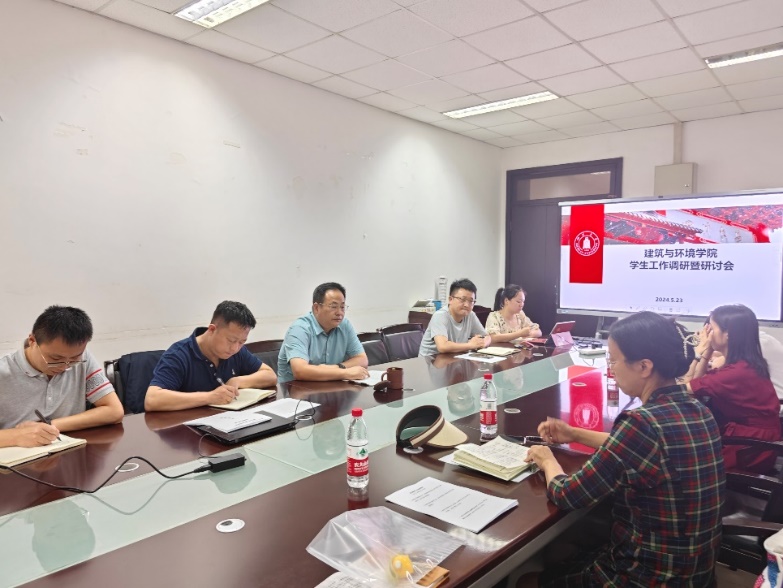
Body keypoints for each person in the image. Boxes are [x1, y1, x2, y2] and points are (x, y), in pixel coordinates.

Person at [525, 311, 724, 587]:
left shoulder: (641, 424)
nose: (611, 368)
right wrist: (573, 433)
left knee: (527, 580)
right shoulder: (698, 410)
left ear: (644, 367)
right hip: (696, 572)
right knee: (561, 551)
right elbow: (634, 446)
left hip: (649, 577)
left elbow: (568, 495)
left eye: (614, 360)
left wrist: (547, 460)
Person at [0, 306, 124, 448]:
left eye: (74, 359)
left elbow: (114, 411)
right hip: (17, 456)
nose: (65, 366)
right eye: (55, 359)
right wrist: (17, 436)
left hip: (67, 450)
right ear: (32, 341)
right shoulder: (4, 371)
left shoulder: (83, 360)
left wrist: (50, 426)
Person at [686, 304, 781, 472]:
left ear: (728, 334)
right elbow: (696, 383)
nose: (707, 333)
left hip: (749, 446)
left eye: (711, 328)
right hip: (758, 440)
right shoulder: (745, 364)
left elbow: (685, 388)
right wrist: (707, 351)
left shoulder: (736, 373)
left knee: (683, 461)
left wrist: (698, 353)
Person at [145, 301, 276, 411]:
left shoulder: (237, 351)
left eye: (242, 342)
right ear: (212, 329)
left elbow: (270, 375)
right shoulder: (179, 355)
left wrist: (238, 381)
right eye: (231, 340)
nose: (235, 348)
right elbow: (152, 400)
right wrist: (210, 397)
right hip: (188, 427)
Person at [277, 283, 368, 384]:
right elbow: (300, 371)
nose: (339, 313)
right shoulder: (299, 329)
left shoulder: (344, 325)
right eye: (333, 306)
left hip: (330, 387)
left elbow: (362, 360)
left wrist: (337, 367)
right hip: (296, 390)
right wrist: (345, 373)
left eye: (342, 307)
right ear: (316, 308)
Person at [418, 279, 488, 356]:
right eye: (462, 299)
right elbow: (442, 346)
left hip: (453, 358)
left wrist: (483, 343)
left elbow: (487, 337)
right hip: (430, 360)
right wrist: (471, 345)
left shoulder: (470, 315)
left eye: (471, 301)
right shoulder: (440, 315)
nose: (466, 305)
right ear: (450, 300)